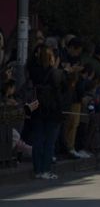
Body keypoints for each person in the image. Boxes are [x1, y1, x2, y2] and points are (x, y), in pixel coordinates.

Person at [28, 44, 68, 180]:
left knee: (38, 139)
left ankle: (37, 170)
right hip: (53, 110)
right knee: (50, 141)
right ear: (52, 58)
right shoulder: (57, 74)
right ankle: (46, 169)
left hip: (37, 108)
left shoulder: (33, 72)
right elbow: (64, 90)